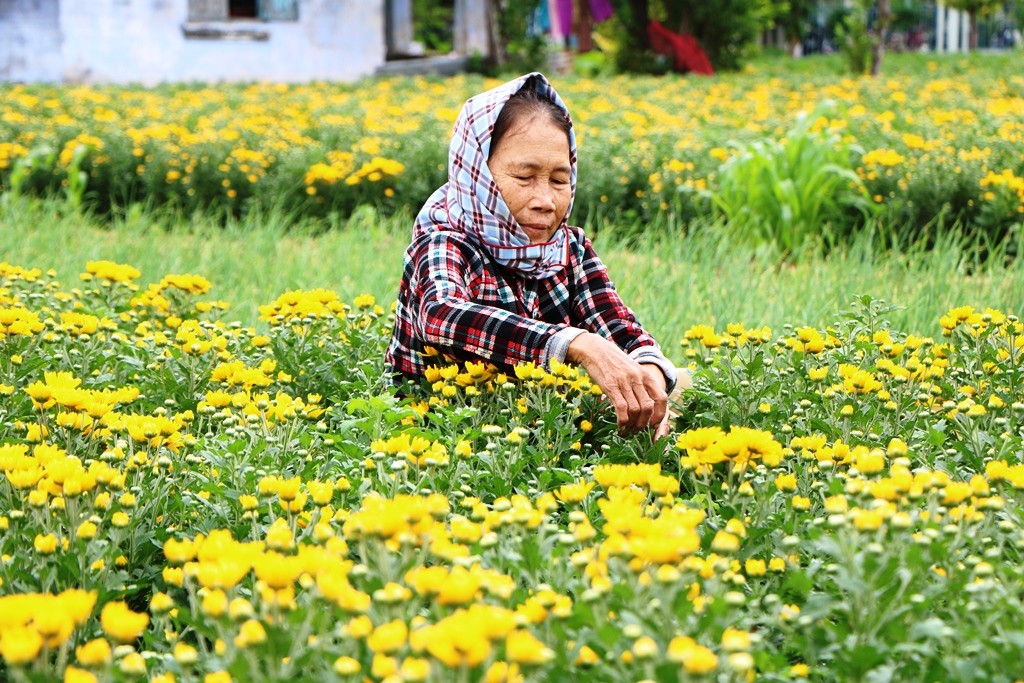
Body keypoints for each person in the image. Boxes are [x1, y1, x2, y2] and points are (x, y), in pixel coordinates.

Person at [385, 72, 690, 437]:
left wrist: (649, 373)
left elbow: (618, 327)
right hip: (439, 431)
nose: (546, 201)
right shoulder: (444, 241)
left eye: (559, 181)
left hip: (538, 425)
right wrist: (575, 342)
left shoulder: (569, 248)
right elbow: (442, 316)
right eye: (525, 178)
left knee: (681, 383)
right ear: (477, 172)